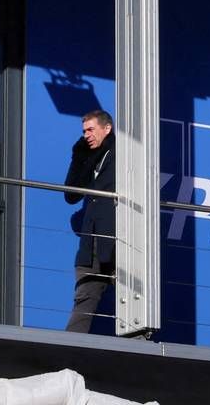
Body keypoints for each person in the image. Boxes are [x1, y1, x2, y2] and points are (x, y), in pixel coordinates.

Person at [62, 109, 116, 333]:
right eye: (84, 131)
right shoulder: (90, 156)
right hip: (91, 241)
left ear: (107, 128)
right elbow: (71, 195)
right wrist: (79, 156)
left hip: (119, 236)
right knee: (85, 295)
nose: (87, 135)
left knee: (134, 294)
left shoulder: (122, 151)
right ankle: (70, 349)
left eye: (91, 129)